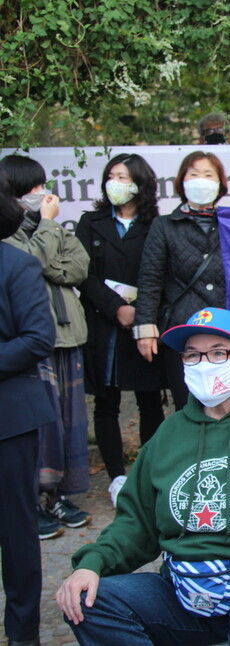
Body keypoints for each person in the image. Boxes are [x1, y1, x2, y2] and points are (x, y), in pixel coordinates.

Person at [56, 307, 230, 646]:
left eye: (218, 353)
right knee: (88, 600)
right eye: (192, 355)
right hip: (181, 594)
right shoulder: (169, 433)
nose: (204, 363)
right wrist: (93, 563)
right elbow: (136, 521)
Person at [0, 154, 92, 538]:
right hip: (34, 343)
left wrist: (49, 249)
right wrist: (49, 227)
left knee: (67, 423)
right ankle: (32, 498)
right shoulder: (10, 231)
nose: (43, 193)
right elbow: (28, 265)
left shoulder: (47, 229)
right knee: (40, 423)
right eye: (35, 187)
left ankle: (56, 494)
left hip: (68, 336)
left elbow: (79, 266)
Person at [75, 153, 166, 507]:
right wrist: (116, 308)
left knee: (149, 401)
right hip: (103, 324)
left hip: (145, 324)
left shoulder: (157, 224)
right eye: (111, 175)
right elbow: (82, 274)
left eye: (124, 176)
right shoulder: (90, 222)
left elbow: (160, 275)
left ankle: (150, 473)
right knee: (106, 401)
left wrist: (141, 314)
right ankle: (117, 477)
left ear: (141, 183)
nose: (116, 182)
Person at [0, 170, 57, 646]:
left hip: (9, 417)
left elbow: (38, 338)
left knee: (15, 530)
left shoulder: (17, 266)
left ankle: (23, 634)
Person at [134, 150, 230, 410]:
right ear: (182, 181)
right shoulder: (164, 226)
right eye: (194, 174)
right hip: (182, 330)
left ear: (221, 183)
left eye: (208, 174)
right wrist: (145, 330)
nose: (201, 180)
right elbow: (150, 280)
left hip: (226, 329)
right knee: (188, 406)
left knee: (227, 406)